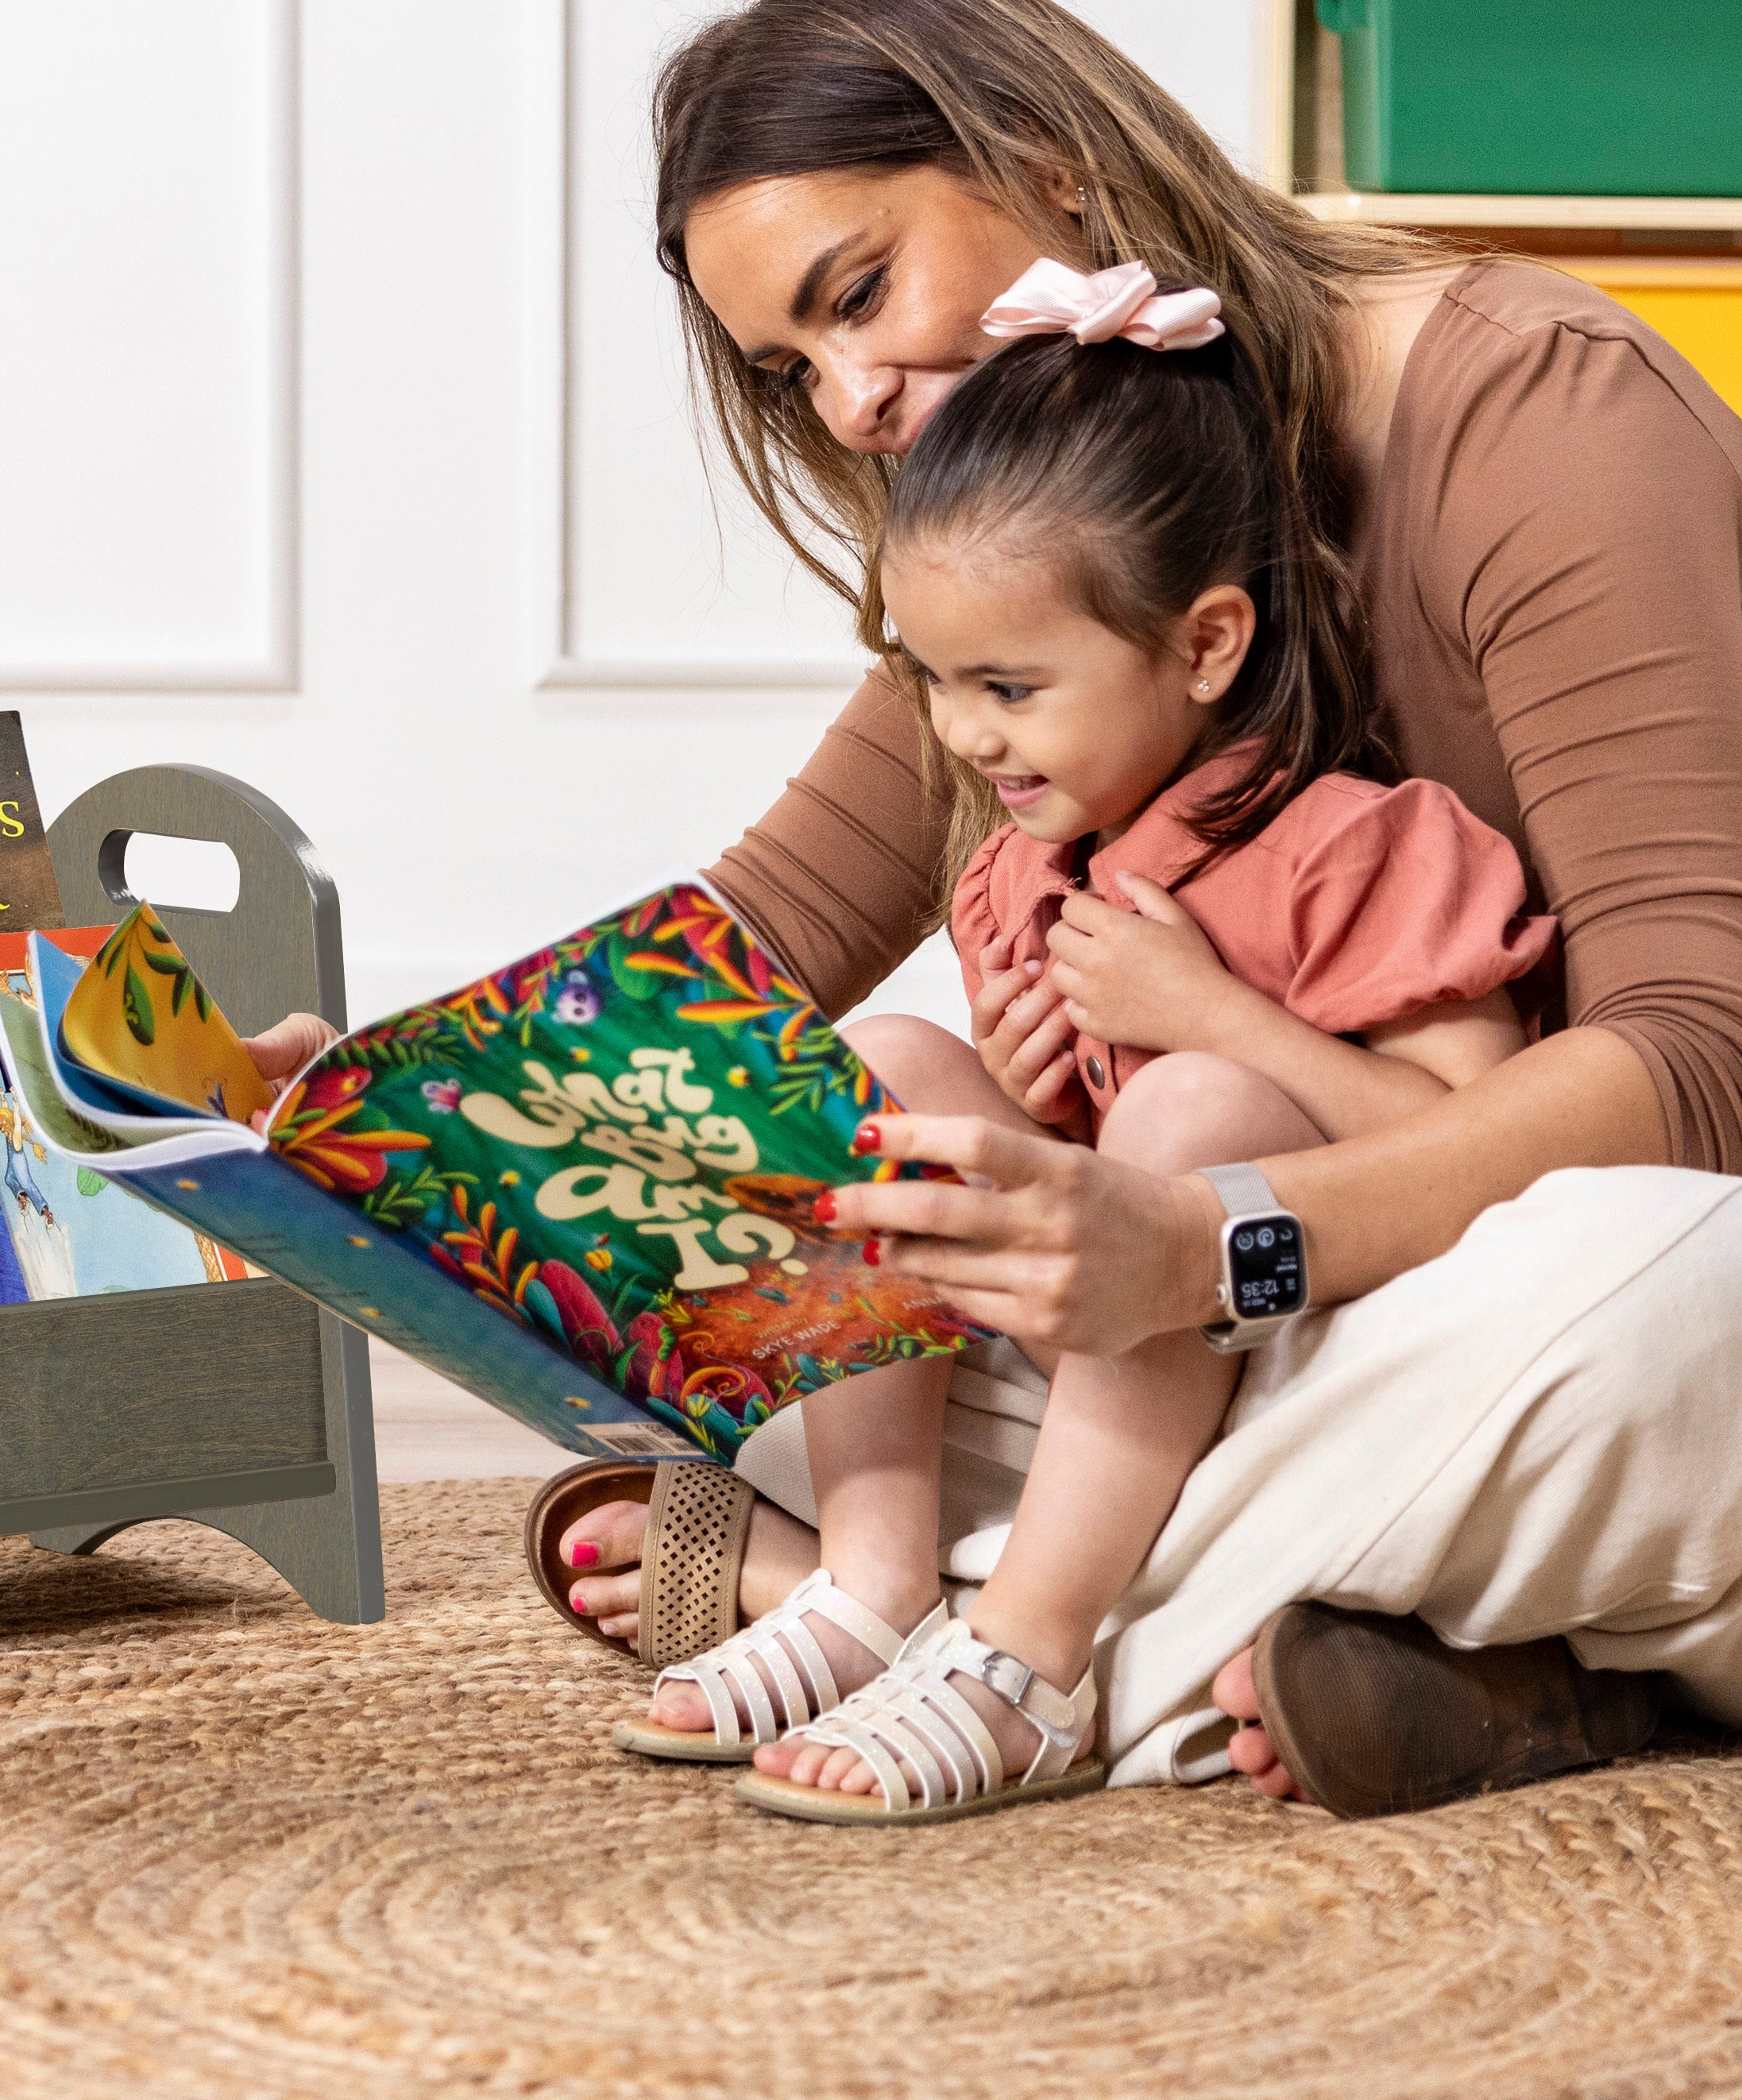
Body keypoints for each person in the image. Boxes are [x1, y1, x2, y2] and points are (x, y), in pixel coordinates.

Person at [249, 0, 1742, 1816]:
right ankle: (1333, 1642)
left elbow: (1701, 1071)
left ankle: (944, 1623)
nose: (852, 398)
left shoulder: (1542, 409)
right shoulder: (1024, 548)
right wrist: (369, 1106)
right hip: (1262, 1337)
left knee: (1674, 1301)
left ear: (1043, 154)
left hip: (1553, 1250)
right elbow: (758, 940)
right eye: (795, 367)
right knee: (834, 1235)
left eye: (857, 295)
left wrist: (1211, 1243)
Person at [619, 273, 1550, 1821]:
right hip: (1115, 1358)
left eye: (1009, 686)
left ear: (1199, 645)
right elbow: (1060, 1186)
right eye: (930, 677)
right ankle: (871, 1577)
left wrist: (1214, 1022)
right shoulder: (1021, 865)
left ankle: (1031, 1653)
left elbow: (1487, 1134)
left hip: (1301, 1329)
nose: (965, 735)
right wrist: (1021, 1081)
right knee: (888, 1056)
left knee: (1194, 1100)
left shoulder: (1358, 846)